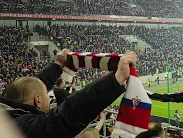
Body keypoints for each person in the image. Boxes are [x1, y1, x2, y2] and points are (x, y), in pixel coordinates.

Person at [0, 49, 137, 138]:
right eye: (46, 95)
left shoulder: (9, 111)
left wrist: (57, 65)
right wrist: (115, 79)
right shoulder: (23, 129)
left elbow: (32, 86)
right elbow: (68, 114)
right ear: (38, 101)